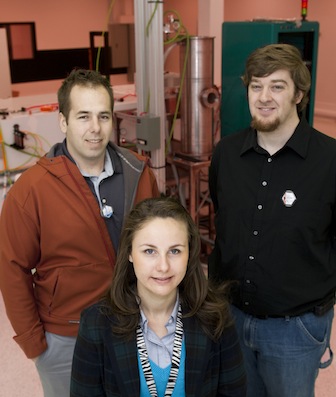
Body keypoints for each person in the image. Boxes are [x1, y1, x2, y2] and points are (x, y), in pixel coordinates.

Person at [0, 68, 159, 396]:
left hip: (134, 327)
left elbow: (157, 246)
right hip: (65, 339)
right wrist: (35, 345)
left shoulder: (138, 173)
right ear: (63, 122)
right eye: (83, 116)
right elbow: (11, 268)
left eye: (103, 116)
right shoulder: (31, 190)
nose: (95, 128)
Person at [208, 43, 336, 397]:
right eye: (256, 85)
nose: (264, 96)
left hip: (295, 330)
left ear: (299, 94)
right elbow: (223, 223)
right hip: (230, 319)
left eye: (277, 86)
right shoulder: (227, 155)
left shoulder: (330, 161)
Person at [70, 196, 247, 396]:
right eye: (149, 251)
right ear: (129, 253)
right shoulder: (96, 323)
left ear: (190, 253)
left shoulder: (217, 318)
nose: (163, 266)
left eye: (174, 251)